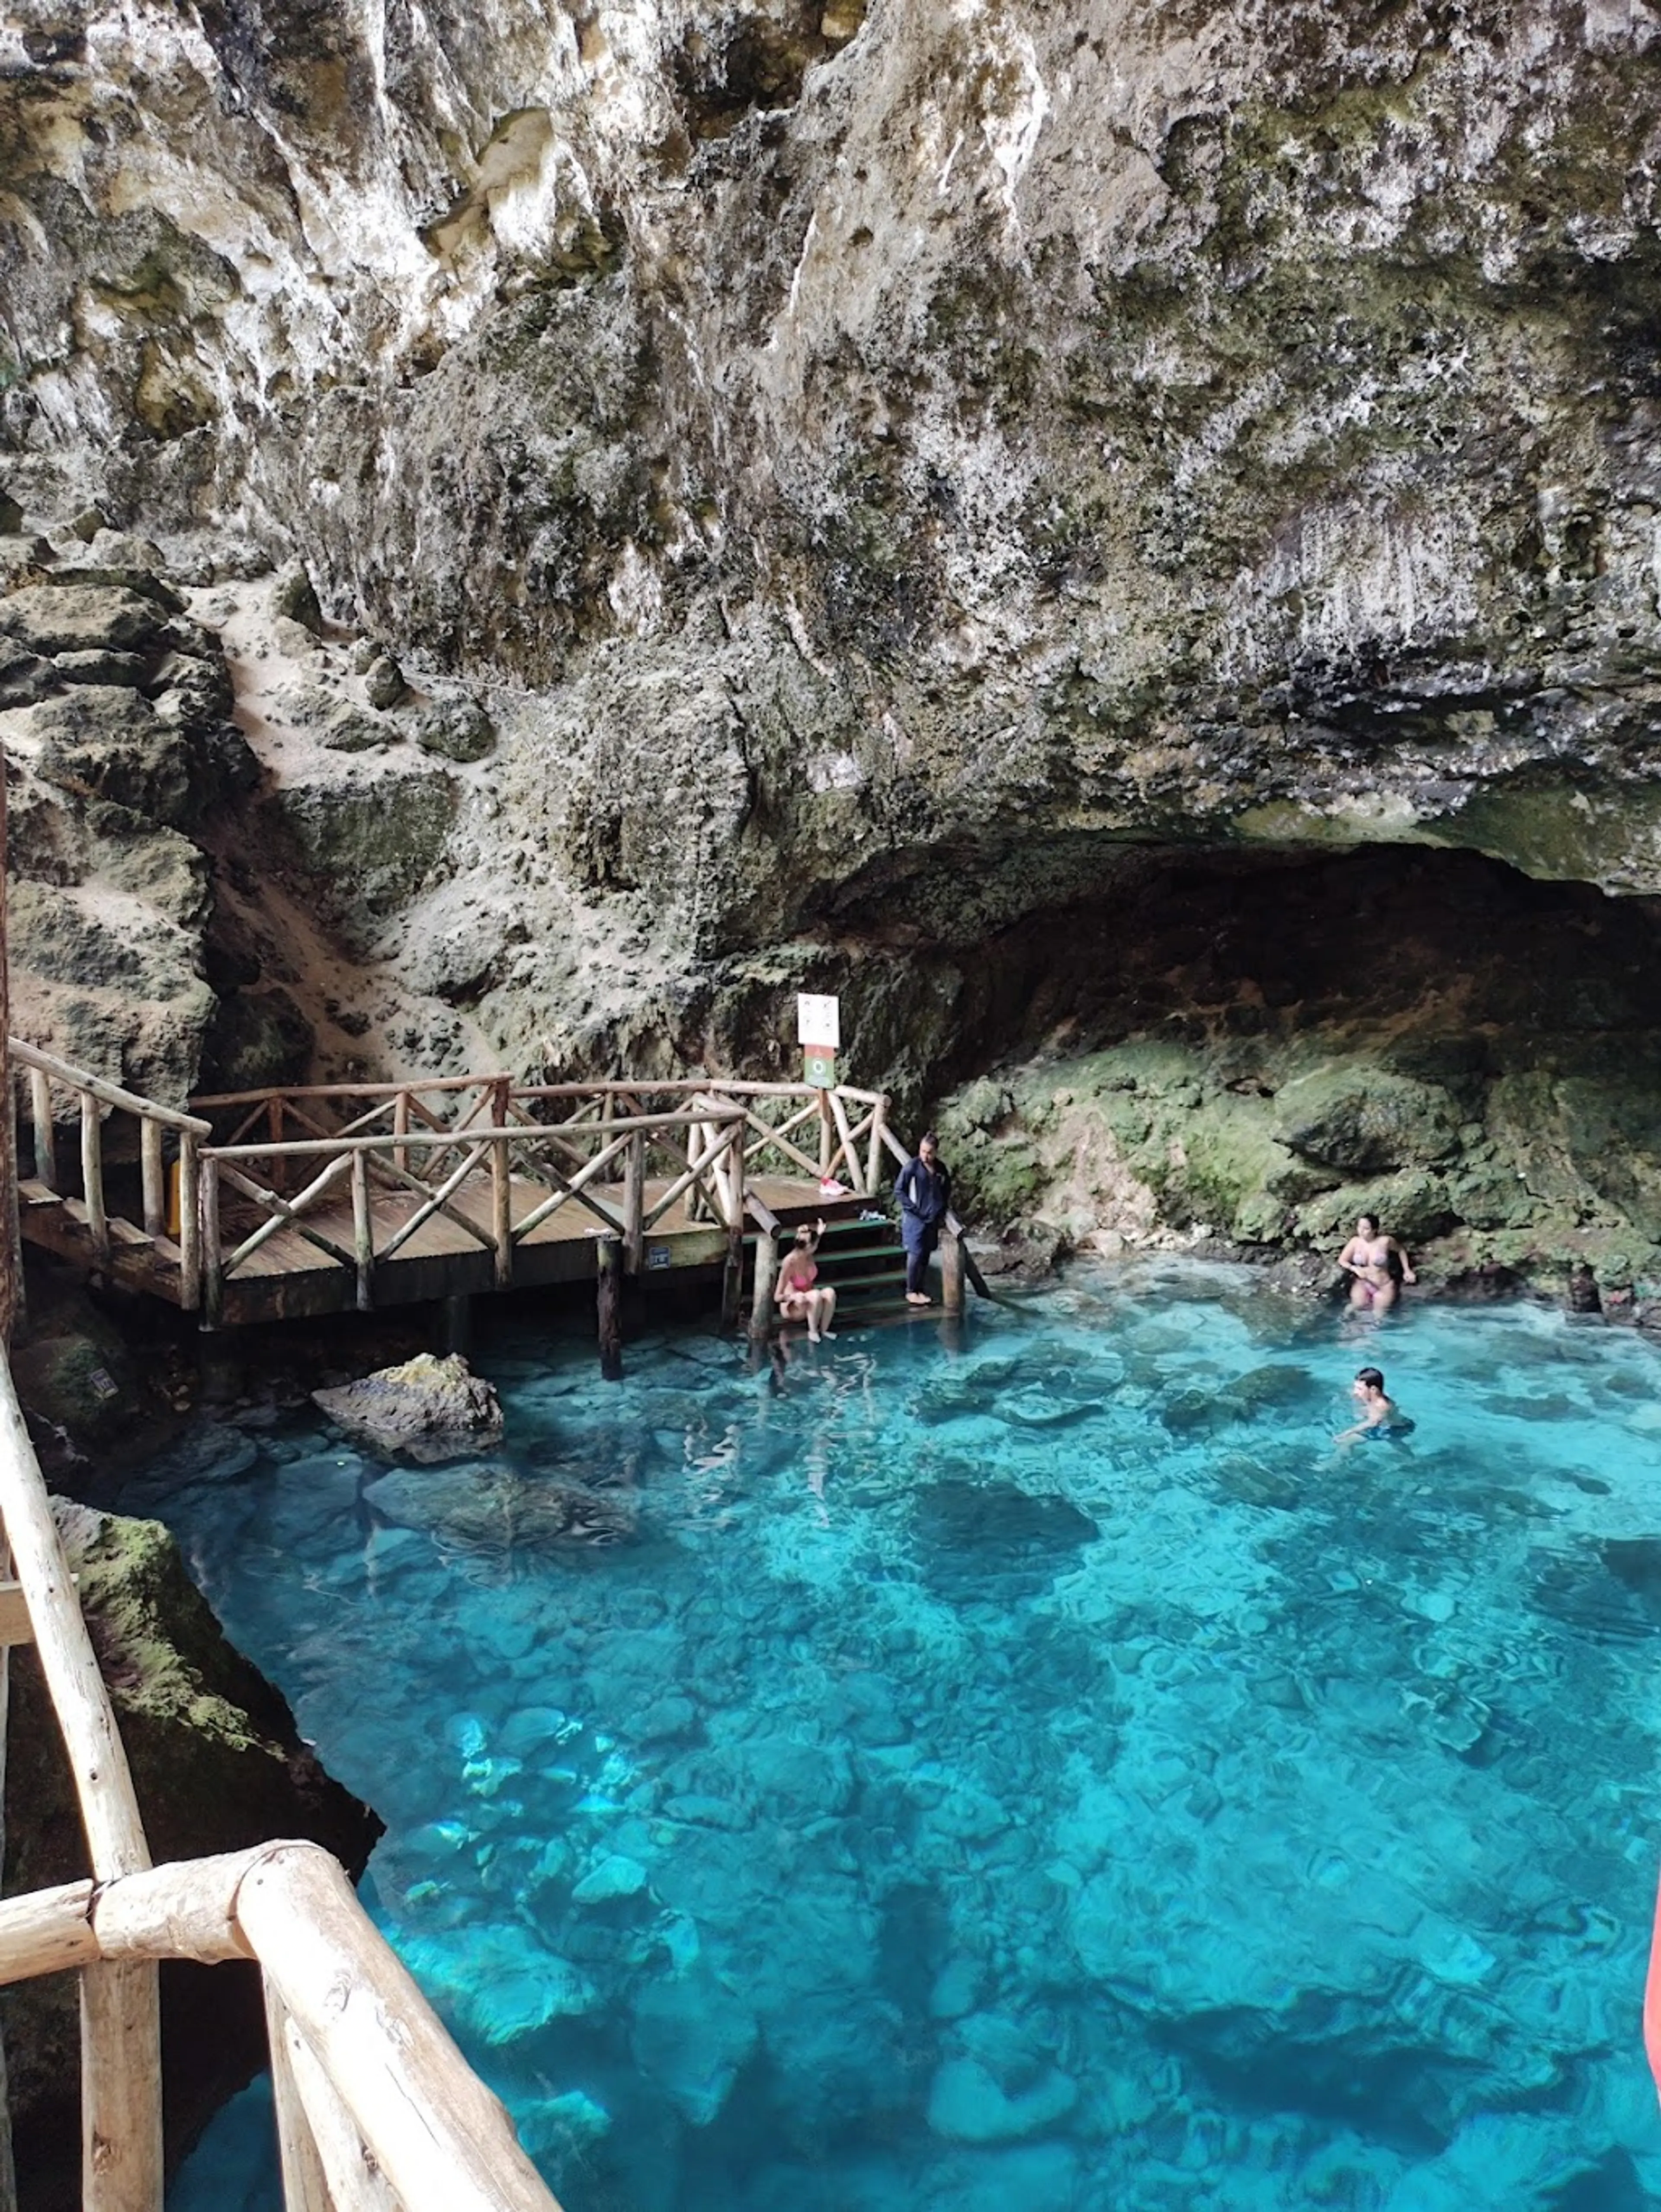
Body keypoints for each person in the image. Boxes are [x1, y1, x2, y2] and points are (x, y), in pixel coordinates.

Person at [895, 1131, 952, 1306]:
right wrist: (913, 1209)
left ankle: (920, 1289)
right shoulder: (912, 1167)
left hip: (932, 1218)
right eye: (922, 1151)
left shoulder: (941, 1169)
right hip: (915, 1218)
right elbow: (899, 1190)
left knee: (926, 1253)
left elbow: (947, 1189)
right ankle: (911, 1290)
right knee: (915, 1253)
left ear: (936, 1152)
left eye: (929, 1152)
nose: (925, 1156)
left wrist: (942, 1208)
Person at [1336, 1215, 1416, 1312]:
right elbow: (1342, 1260)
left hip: (1383, 1285)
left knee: (1378, 1315)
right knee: (1355, 1307)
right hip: (1363, 1283)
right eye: (1359, 1227)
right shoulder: (1355, 1242)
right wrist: (1354, 1268)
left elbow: (1401, 1250)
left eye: (1366, 1229)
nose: (1361, 1231)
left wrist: (1407, 1271)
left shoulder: (1386, 1241)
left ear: (1375, 1230)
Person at [774, 1220, 837, 1342]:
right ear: (810, 1247)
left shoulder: (808, 1253)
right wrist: (793, 1297)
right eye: (815, 1244)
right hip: (794, 1308)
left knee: (830, 1292)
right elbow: (777, 1297)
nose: (817, 1246)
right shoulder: (790, 1262)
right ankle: (813, 1331)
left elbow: (815, 1240)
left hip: (811, 1302)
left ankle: (824, 1330)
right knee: (815, 1294)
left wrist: (819, 1233)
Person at [1334, 1366, 1412, 1446]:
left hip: (1397, 1429)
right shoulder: (1372, 1396)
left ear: (1373, 1390)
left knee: (1347, 1441)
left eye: (1359, 1389)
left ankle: (1342, 1458)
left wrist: (1347, 1432)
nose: (1355, 1392)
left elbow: (1372, 1423)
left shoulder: (1382, 1406)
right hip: (1385, 1425)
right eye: (1355, 1387)